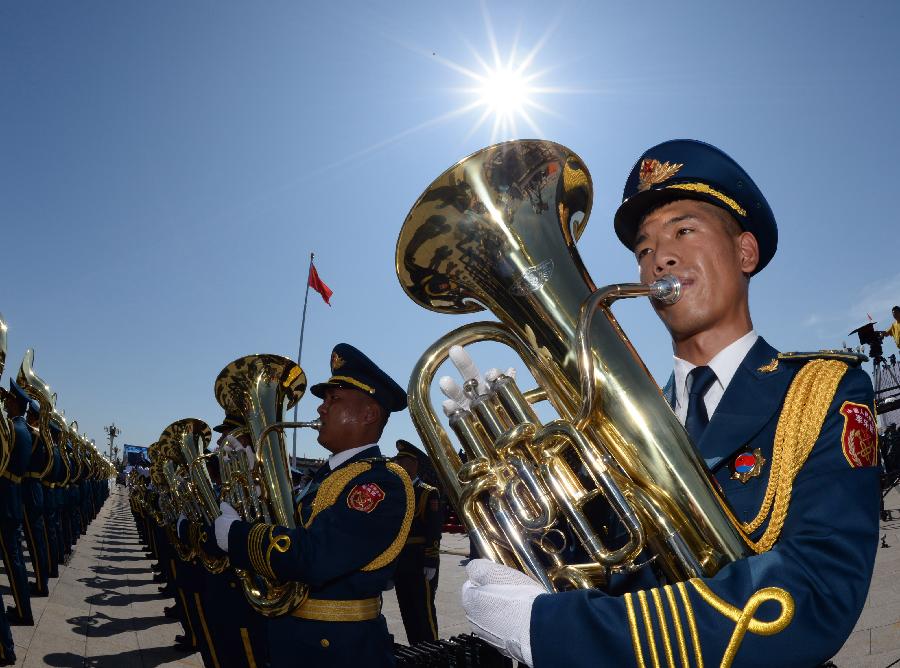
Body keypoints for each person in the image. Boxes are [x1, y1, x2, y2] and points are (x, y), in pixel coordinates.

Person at [460, 139, 881, 667]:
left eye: (683, 230)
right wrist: (505, 503)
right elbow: (575, 560)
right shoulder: (612, 427)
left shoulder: (821, 392)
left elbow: (815, 592)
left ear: (745, 252)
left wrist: (552, 630)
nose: (661, 257)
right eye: (643, 249)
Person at [214, 343, 414, 668]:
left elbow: (316, 557)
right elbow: (290, 528)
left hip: (338, 650)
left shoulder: (380, 483)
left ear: (369, 414)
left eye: (334, 400)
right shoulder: (326, 476)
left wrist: (238, 536)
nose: (321, 409)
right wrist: (252, 482)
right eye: (324, 400)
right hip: (295, 638)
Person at [392, 439, 443, 644]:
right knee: (406, 609)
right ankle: (417, 652)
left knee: (424, 611)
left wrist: (430, 560)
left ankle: (432, 653)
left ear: (414, 464)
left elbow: (434, 529)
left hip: (420, 559)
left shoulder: (428, 492)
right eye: (398, 460)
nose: (399, 465)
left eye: (404, 460)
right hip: (400, 561)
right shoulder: (396, 492)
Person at [0, 381, 35, 626]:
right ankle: (23, 610)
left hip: (4, 497)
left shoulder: (13, 429)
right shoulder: (24, 430)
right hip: (13, 495)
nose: (5, 402)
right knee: (15, 560)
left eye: (8, 399)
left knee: (13, 560)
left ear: (15, 402)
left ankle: (23, 613)